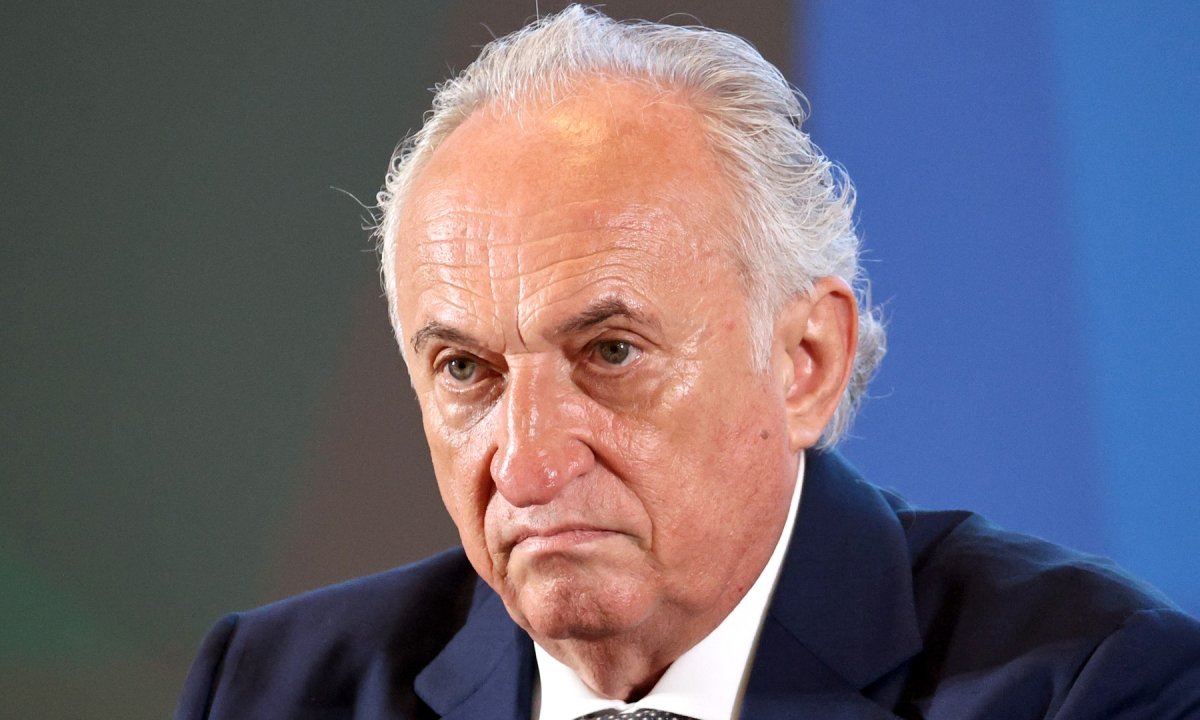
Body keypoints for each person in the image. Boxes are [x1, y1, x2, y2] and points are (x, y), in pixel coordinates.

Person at [175, 6, 1200, 719]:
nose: (527, 467)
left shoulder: (1092, 687)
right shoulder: (274, 691)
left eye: (611, 352)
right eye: (465, 372)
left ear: (805, 361)